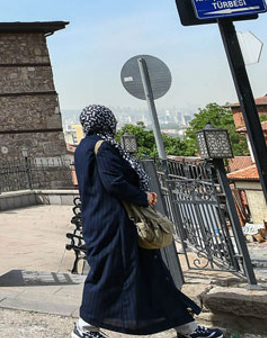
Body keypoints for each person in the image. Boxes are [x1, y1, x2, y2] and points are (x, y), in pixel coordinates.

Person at [73, 105, 224, 338]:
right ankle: (84, 329)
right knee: (107, 275)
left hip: (102, 221)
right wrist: (144, 196)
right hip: (115, 224)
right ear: (107, 122)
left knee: (151, 274)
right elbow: (114, 183)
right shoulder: (103, 147)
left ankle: (187, 328)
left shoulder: (83, 146)